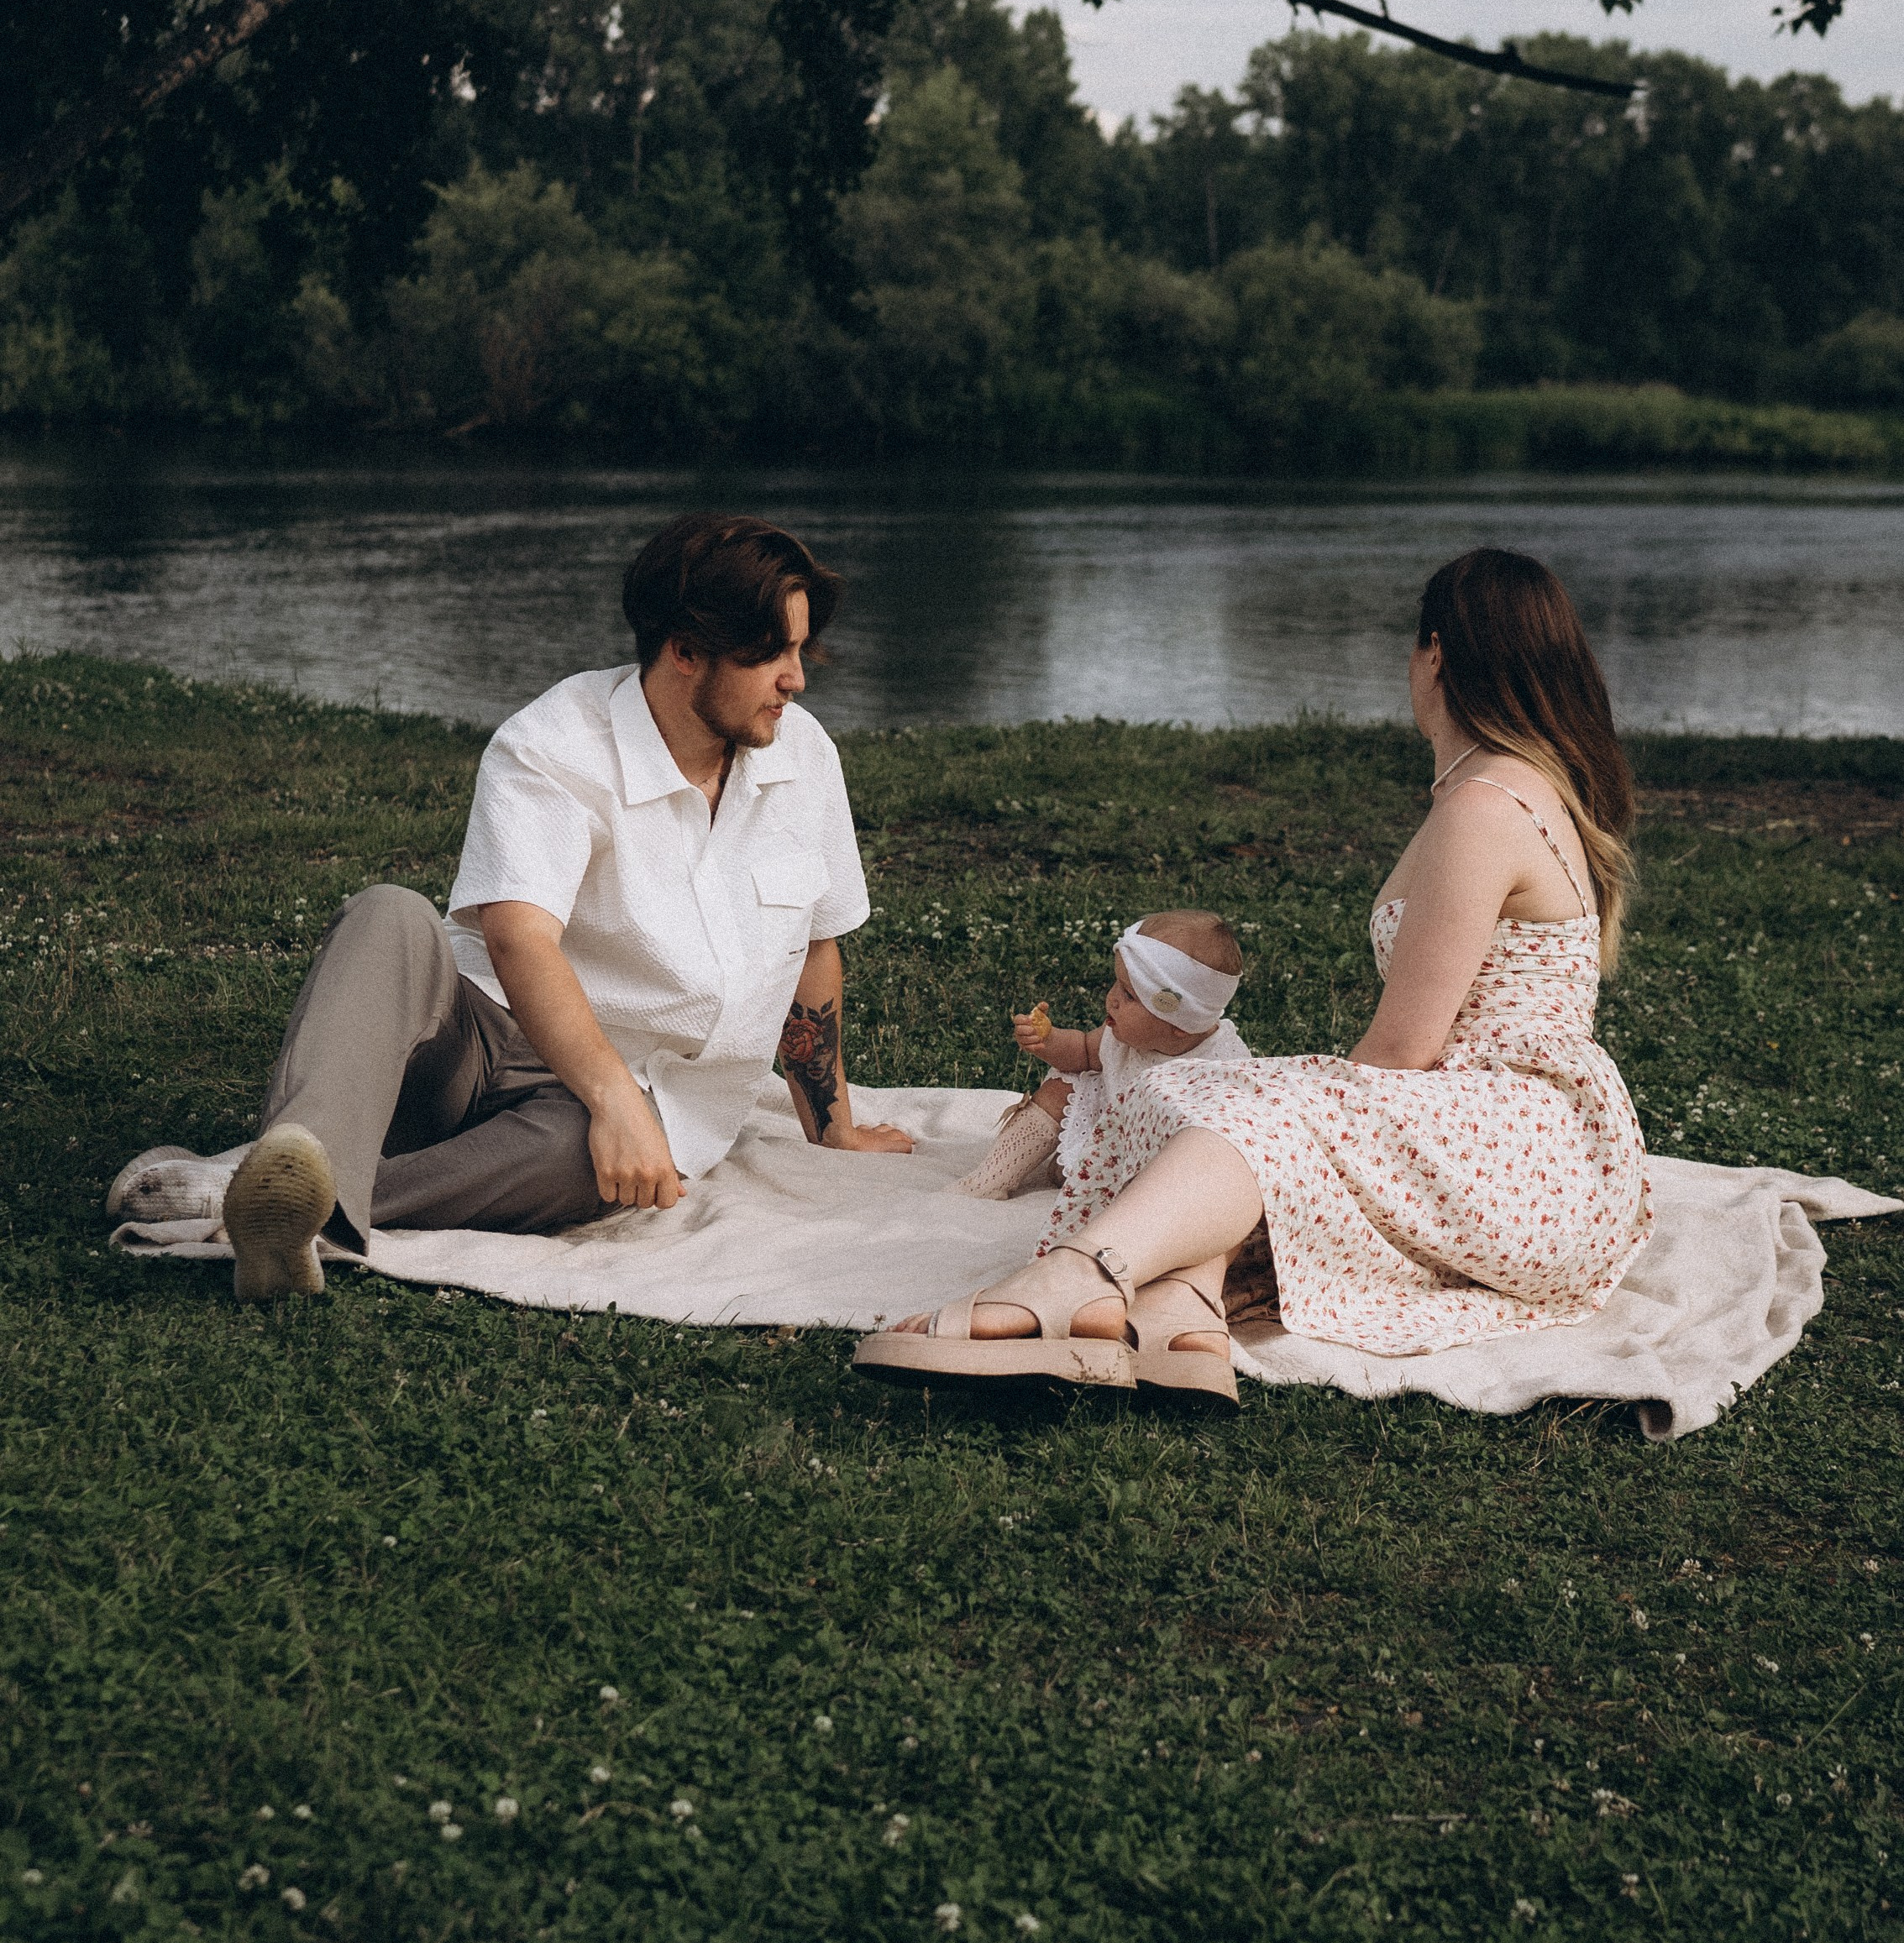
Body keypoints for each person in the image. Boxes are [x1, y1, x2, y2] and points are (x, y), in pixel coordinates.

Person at [856, 544, 1650, 1406]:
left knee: (1243, 1103)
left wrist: (1295, 1121)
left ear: (1433, 654)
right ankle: (1189, 1308)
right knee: (1222, 1092)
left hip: (1512, 1148)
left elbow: (1402, 1049)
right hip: (1532, 1147)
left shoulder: (1482, 807)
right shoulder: (1524, 788)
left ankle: (1072, 1278)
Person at [109, 511, 910, 1299]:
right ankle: (297, 1168)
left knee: (609, 1165)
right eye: (770, 653)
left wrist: (831, 1126)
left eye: (800, 650)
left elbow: (812, 945)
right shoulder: (554, 741)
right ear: (686, 651)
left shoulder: (804, 757)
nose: (797, 680)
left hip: (605, 1111)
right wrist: (612, 1097)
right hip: (475, 1041)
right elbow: (519, 939)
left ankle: (259, 1199)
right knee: (390, 914)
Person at [950, 910, 1251, 1202]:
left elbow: (1233, 1133)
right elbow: (1083, 1050)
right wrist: (1049, 1040)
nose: (1113, 998)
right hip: (1108, 1129)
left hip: (1156, 1164)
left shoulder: (1221, 1065)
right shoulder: (1123, 1038)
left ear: (1180, 1024)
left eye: (1130, 995)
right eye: (1117, 984)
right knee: (1062, 1087)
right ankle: (992, 1177)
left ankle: (1086, 1178)